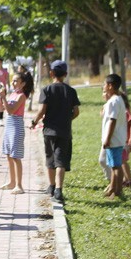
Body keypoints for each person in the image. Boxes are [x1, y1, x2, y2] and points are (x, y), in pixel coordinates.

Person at [30, 60, 80, 204]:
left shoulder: (46, 90)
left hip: (49, 131)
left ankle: (51, 186)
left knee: (50, 159)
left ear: (51, 73)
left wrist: (34, 122)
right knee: (61, 161)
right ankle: (58, 190)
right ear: (65, 74)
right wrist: (67, 119)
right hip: (64, 131)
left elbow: (41, 111)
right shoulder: (71, 91)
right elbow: (76, 111)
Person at [0, 71, 33, 194]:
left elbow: (12, 111)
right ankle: (12, 182)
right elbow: (2, 109)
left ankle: (19, 185)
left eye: (16, 81)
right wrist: (0, 97)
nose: (13, 83)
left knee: (15, 156)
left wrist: (3, 98)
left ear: (23, 84)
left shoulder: (22, 96)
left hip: (17, 125)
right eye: (12, 81)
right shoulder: (13, 94)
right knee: (8, 155)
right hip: (8, 125)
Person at [100, 74, 128, 199]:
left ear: (110, 86)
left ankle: (118, 191)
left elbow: (112, 120)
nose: (103, 86)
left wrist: (107, 138)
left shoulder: (114, 101)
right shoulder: (118, 99)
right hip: (118, 138)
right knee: (114, 165)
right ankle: (113, 188)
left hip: (114, 139)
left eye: (105, 84)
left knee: (116, 166)